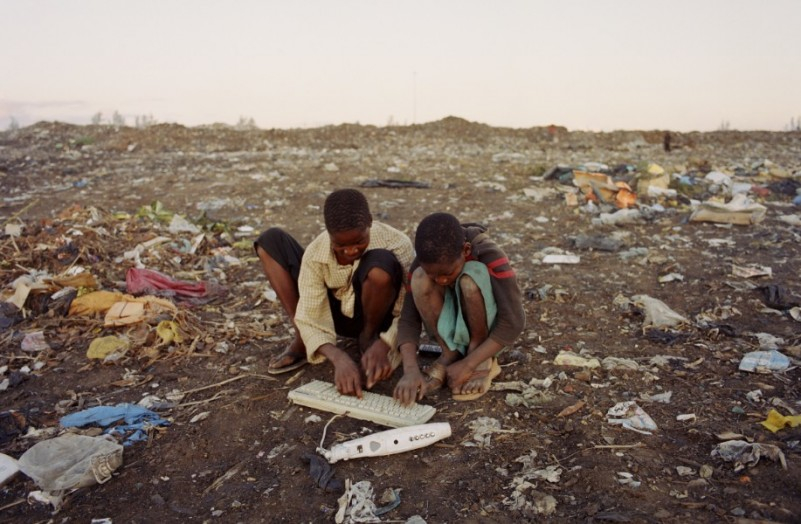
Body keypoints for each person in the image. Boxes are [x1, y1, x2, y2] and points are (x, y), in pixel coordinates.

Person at [254, 188, 414, 397]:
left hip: (377, 314)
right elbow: (311, 311)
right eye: (340, 245)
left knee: (381, 264)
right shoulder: (316, 253)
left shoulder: (397, 243)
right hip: (336, 315)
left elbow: (409, 309)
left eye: (359, 242)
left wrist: (386, 344)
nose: (350, 251)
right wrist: (338, 357)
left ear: (370, 222)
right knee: (271, 239)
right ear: (328, 233)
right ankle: (305, 339)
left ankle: (368, 338)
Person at [394, 212, 525, 404]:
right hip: (452, 322)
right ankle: (449, 352)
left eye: (447, 273)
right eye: (435, 276)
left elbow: (513, 322)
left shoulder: (489, 254)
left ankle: (480, 357)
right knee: (420, 278)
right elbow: (408, 319)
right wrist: (411, 370)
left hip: (486, 330)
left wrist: (469, 364)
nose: (441, 281)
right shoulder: (423, 263)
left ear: (466, 249)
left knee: (470, 279)